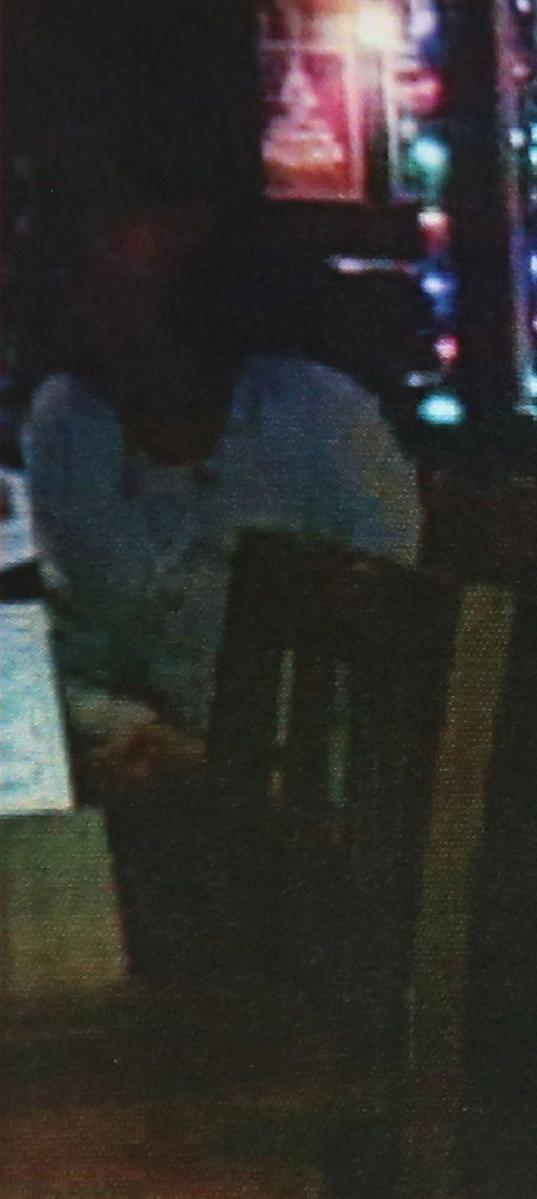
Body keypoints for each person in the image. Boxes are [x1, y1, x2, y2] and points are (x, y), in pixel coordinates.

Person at [20, 147, 420, 973]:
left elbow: (395, 667)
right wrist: (127, 731)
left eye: (114, 233)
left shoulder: (318, 420)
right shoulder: (66, 425)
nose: (88, 268)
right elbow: (70, 646)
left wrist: (228, 765)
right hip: (146, 831)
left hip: (332, 851)